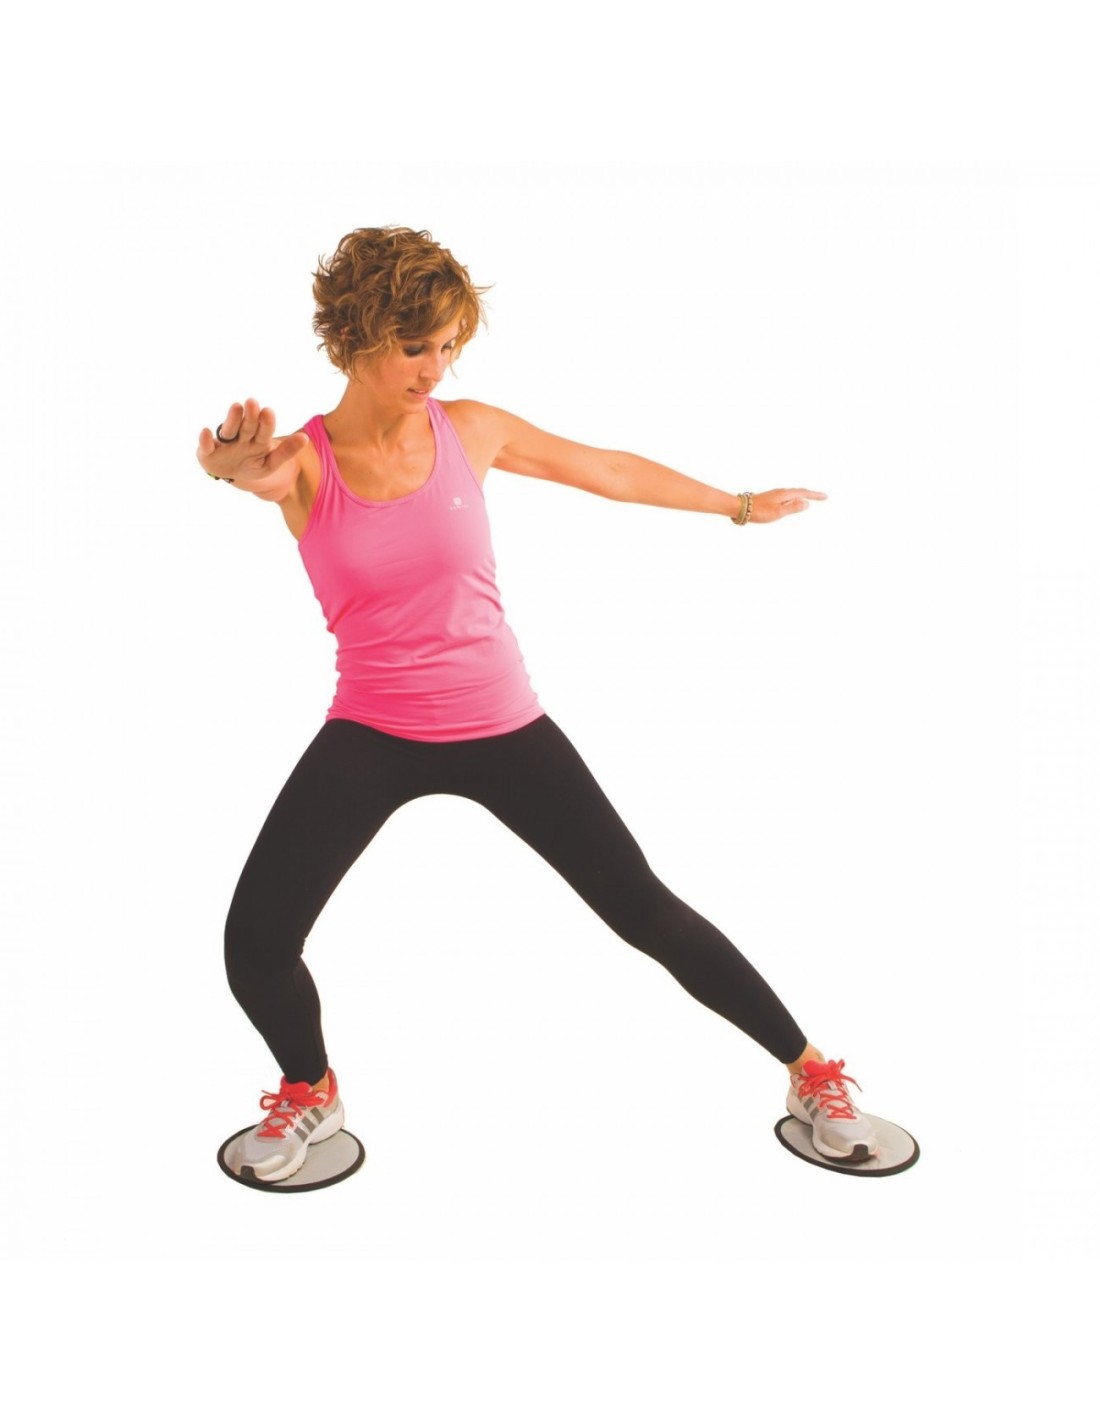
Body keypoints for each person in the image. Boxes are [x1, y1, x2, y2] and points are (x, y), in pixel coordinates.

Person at [196, 225, 879, 1184]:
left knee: (644, 911)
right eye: (415, 346)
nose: (435, 368)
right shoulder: (303, 461)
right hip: (373, 729)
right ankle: (310, 1089)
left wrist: (736, 504)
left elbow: (607, 470)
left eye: (448, 345)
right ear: (353, 337)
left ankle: (813, 1074)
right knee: (256, 942)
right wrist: (227, 464)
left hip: (502, 724)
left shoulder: (469, 428)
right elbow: (253, 473)